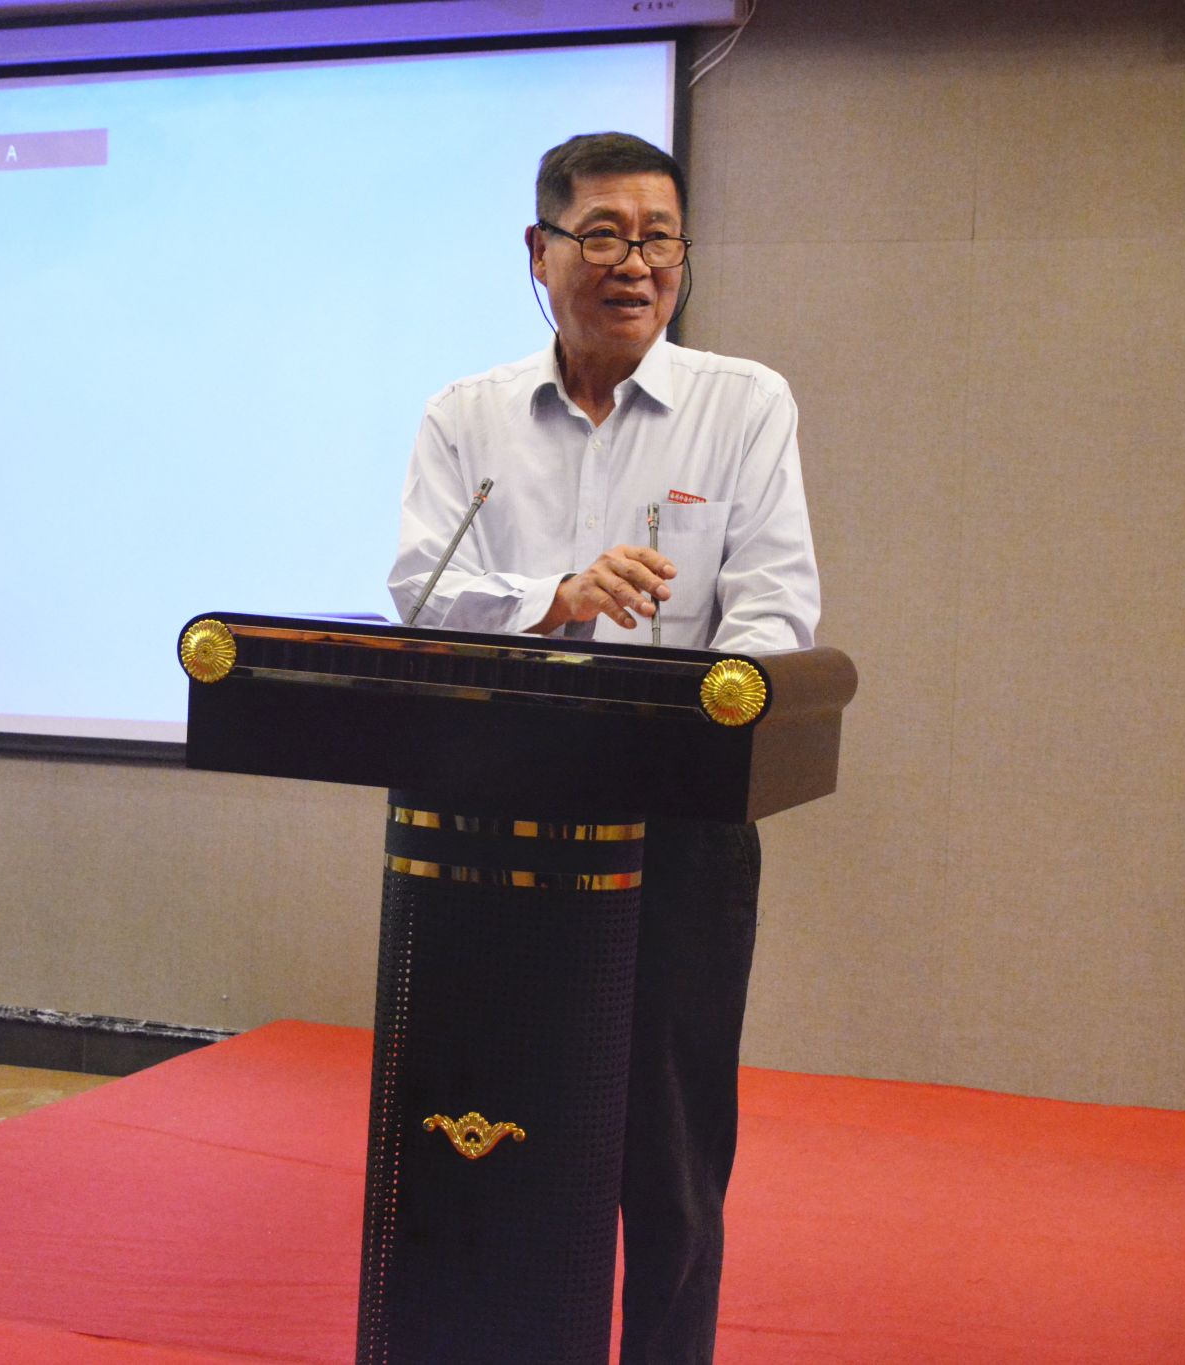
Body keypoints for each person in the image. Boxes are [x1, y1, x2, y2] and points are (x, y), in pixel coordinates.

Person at [388, 131, 820, 1364]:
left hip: (673, 827)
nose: (634, 262)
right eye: (601, 236)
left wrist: (699, 703)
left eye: (657, 237)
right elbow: (419, 592)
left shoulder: (742, 404)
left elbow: (777, 611)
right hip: (488, 822)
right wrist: (558, 597)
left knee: (669, 1153)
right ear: (539, 253)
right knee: (485, 1119)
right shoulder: (465, 415)